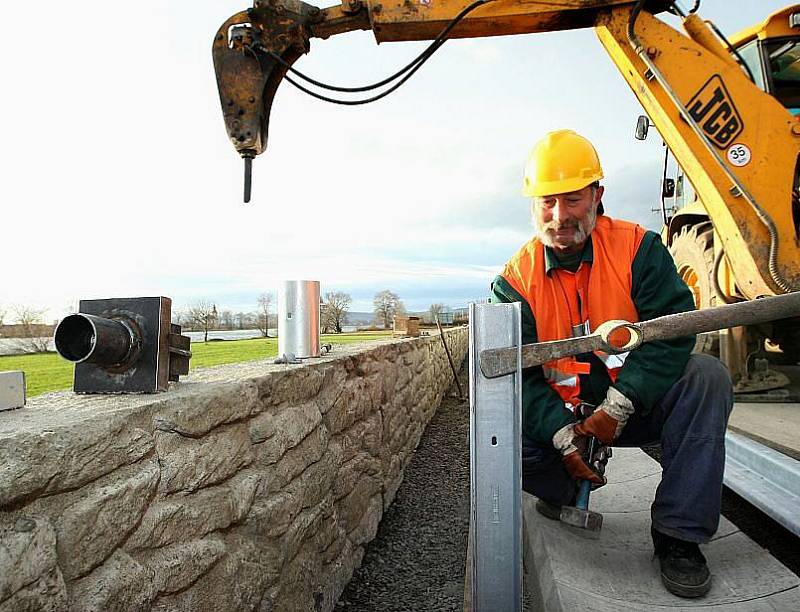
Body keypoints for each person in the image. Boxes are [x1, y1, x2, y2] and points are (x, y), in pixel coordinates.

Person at [490, 129, 733, 599]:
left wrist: (616, 409)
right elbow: (516, 379)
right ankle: (563, 488)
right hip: (563, 422)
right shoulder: (513, 283)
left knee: (707, 379)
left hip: (635, 408)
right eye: (547, 202)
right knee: (494, 434)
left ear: (597, 196)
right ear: (532, 205)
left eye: (573, 200)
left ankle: (679, 536)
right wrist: (564, 437)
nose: (559, 217)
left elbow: (674, 333)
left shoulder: (638, 249)